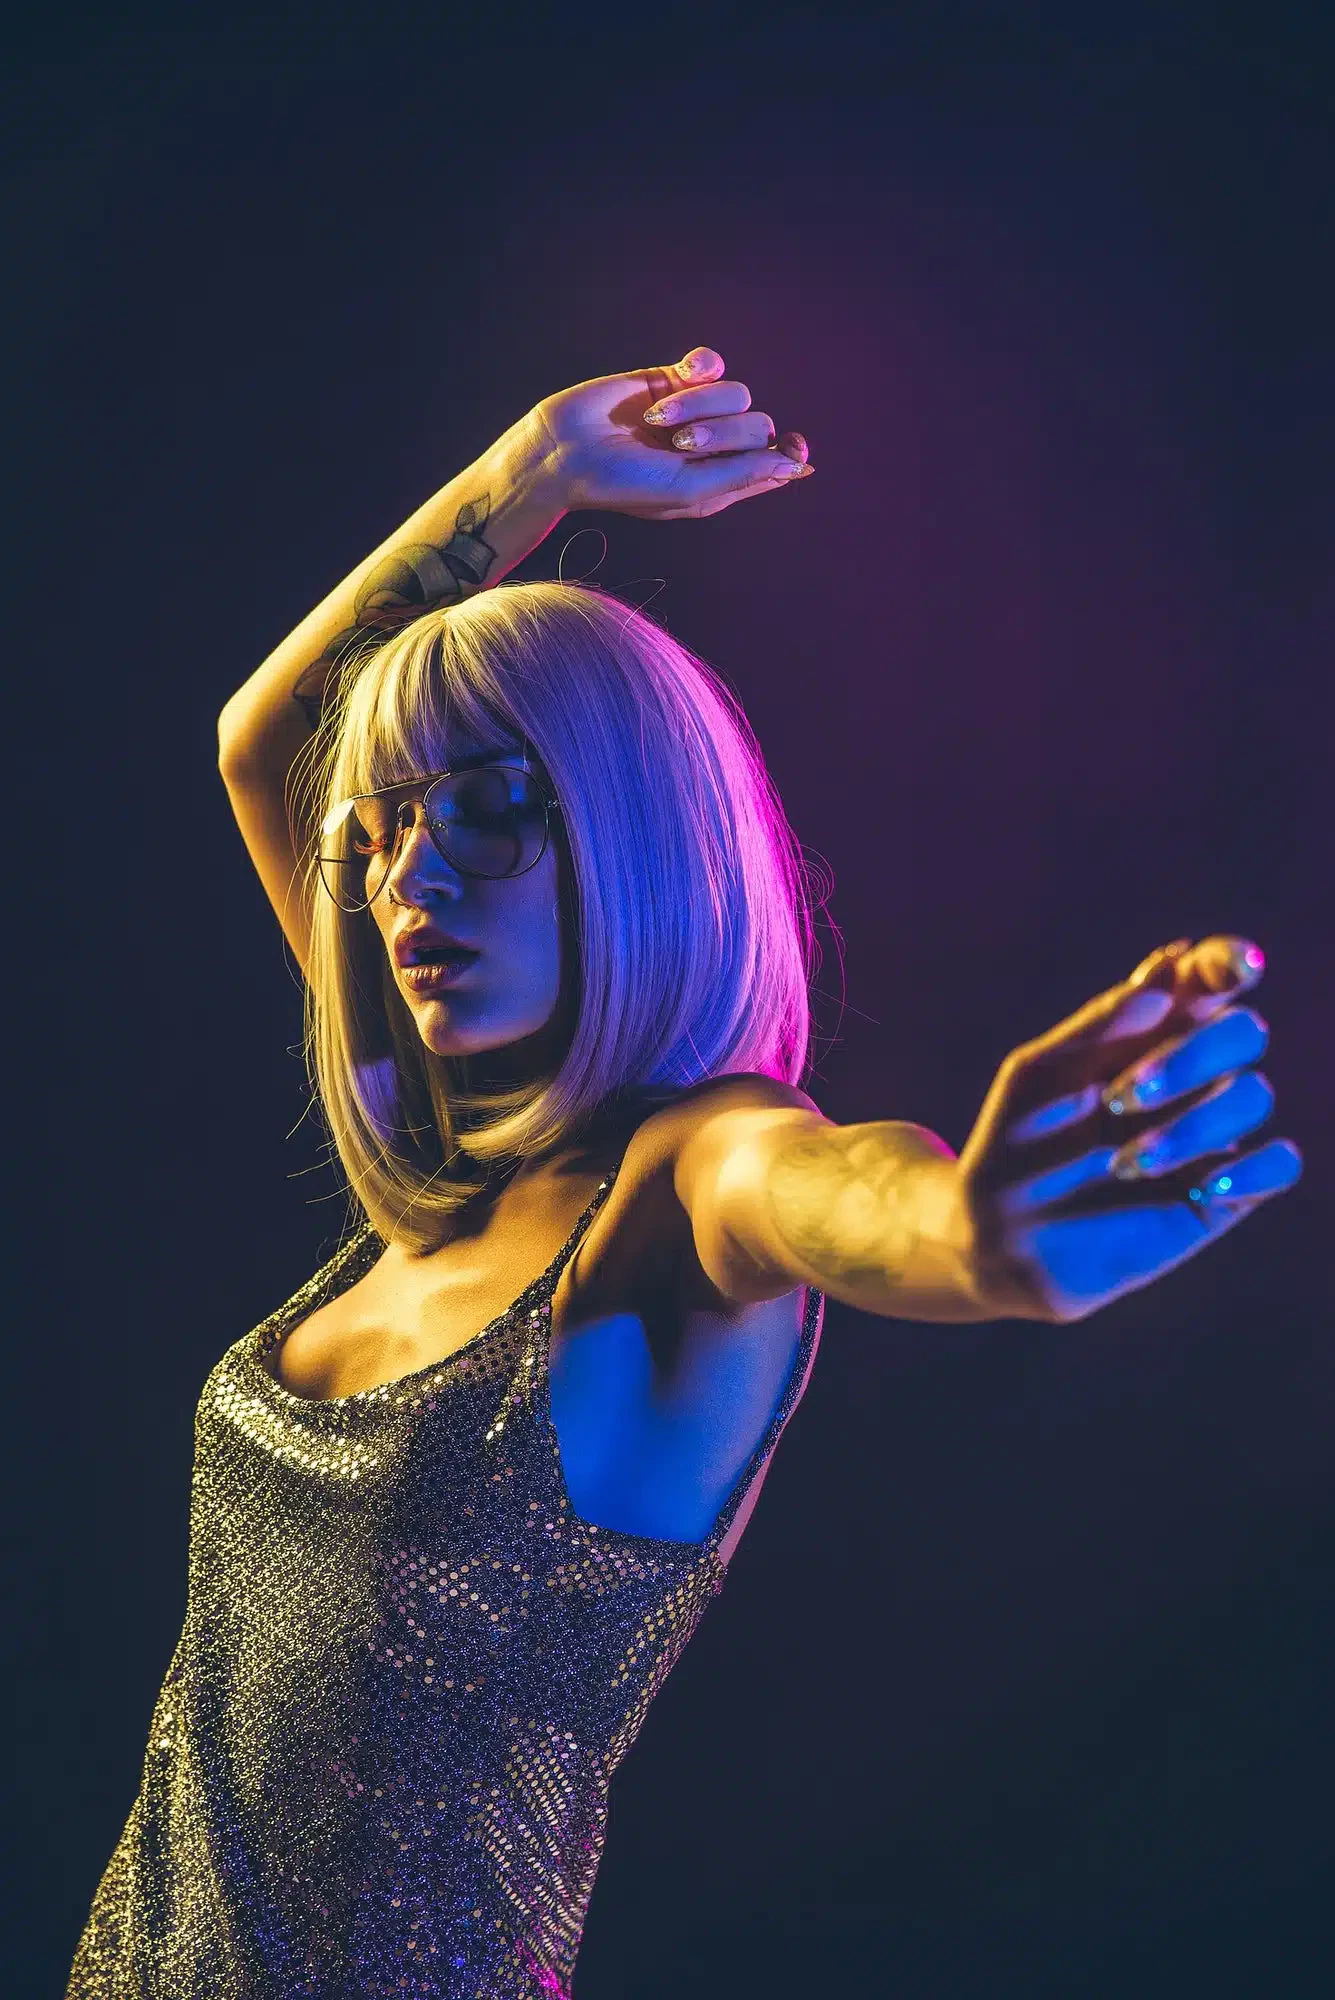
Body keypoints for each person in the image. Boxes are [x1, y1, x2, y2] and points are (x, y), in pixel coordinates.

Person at [66, 346, 1302, 1999]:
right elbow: (266, 737)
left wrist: (962, 1231)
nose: (416, 873)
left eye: (497, 809)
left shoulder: (677, 1182)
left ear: (633, 834)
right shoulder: (432, 1181)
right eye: (391, 827)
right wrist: (530, 472)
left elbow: (830, 1193)